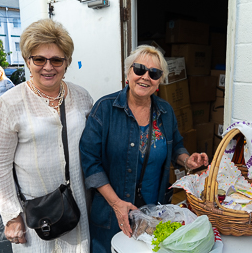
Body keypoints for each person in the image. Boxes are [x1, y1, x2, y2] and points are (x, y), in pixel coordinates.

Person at [80, 45, 209, 252]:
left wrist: (187, 160)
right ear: (128, 72)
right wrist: (116, 203)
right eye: (139, 69)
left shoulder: (165, 111)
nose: (145, 76)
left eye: (154, 73)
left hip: (153, 214)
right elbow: (90, 162)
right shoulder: (105, 109)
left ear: (159, 80)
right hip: (111, 213)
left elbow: (176, 145)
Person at [0, 19, 93, 252]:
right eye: (39, 59)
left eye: (56, 60)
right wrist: (12, 216)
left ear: (67, 63)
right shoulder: (9, 104)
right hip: (36, 212)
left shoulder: (82, 96)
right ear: (27, 61)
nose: (48, 67)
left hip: (77, 206)